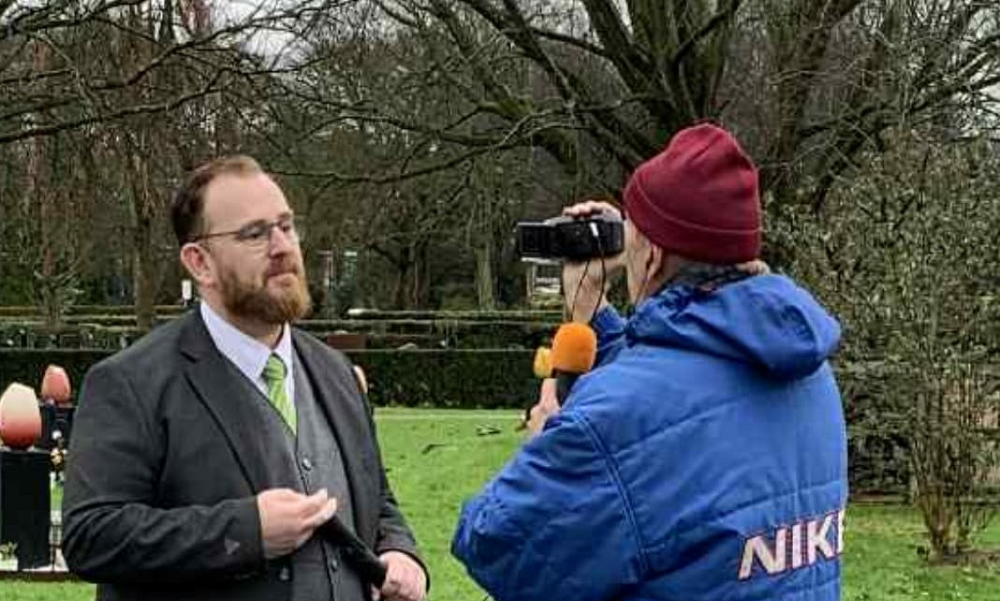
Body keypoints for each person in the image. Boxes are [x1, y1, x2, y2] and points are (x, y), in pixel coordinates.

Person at [452, 124, 847, 601]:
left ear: (653, 256)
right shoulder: (808, 372)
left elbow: (499, 546)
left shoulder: (616, 420)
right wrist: (590, 307)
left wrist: (542, 445)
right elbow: (684, 409)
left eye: (631, 234)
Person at [62, 156, 428, 601]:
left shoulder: (336, 372)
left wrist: (399, 550)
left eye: (287, 226)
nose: (282, 247)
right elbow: (92, 535)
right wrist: (245, 532)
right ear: (200, 263)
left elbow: (376, 498)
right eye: (254, 234)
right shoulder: (130, 384)